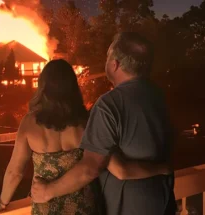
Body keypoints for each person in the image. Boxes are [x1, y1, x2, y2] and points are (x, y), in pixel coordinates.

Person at [0, 59, 169, 215]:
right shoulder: (87, 122)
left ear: (43, 87)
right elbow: (120, 170)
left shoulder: (29, 123)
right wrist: (161, 168)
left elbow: (14, 172)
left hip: (46, 208)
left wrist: (1, 203)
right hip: (85, 208)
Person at [31, 33, 177, 215]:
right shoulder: (159, 95)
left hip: (129, 207)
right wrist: (162, 168)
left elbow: (92, 168)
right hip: (163, 201)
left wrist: (47, 192)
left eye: (107, 58)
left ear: (114, 64)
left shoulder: (109, 105)